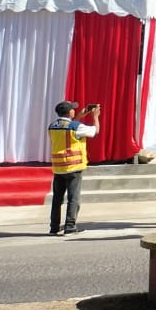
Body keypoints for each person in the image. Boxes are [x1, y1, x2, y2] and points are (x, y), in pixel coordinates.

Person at [48, 100, 101, 235]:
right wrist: (95, 116)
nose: (74, 111)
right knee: (73, 198)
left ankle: (54, 227)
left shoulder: (52, 126)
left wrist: (79, 117)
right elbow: (95, 131)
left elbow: (68, 127)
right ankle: (70, 226)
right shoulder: (76, 126)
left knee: (57, 199)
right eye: (73, 109)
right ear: (70, 112)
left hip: (58, 167)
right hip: (73, 166)